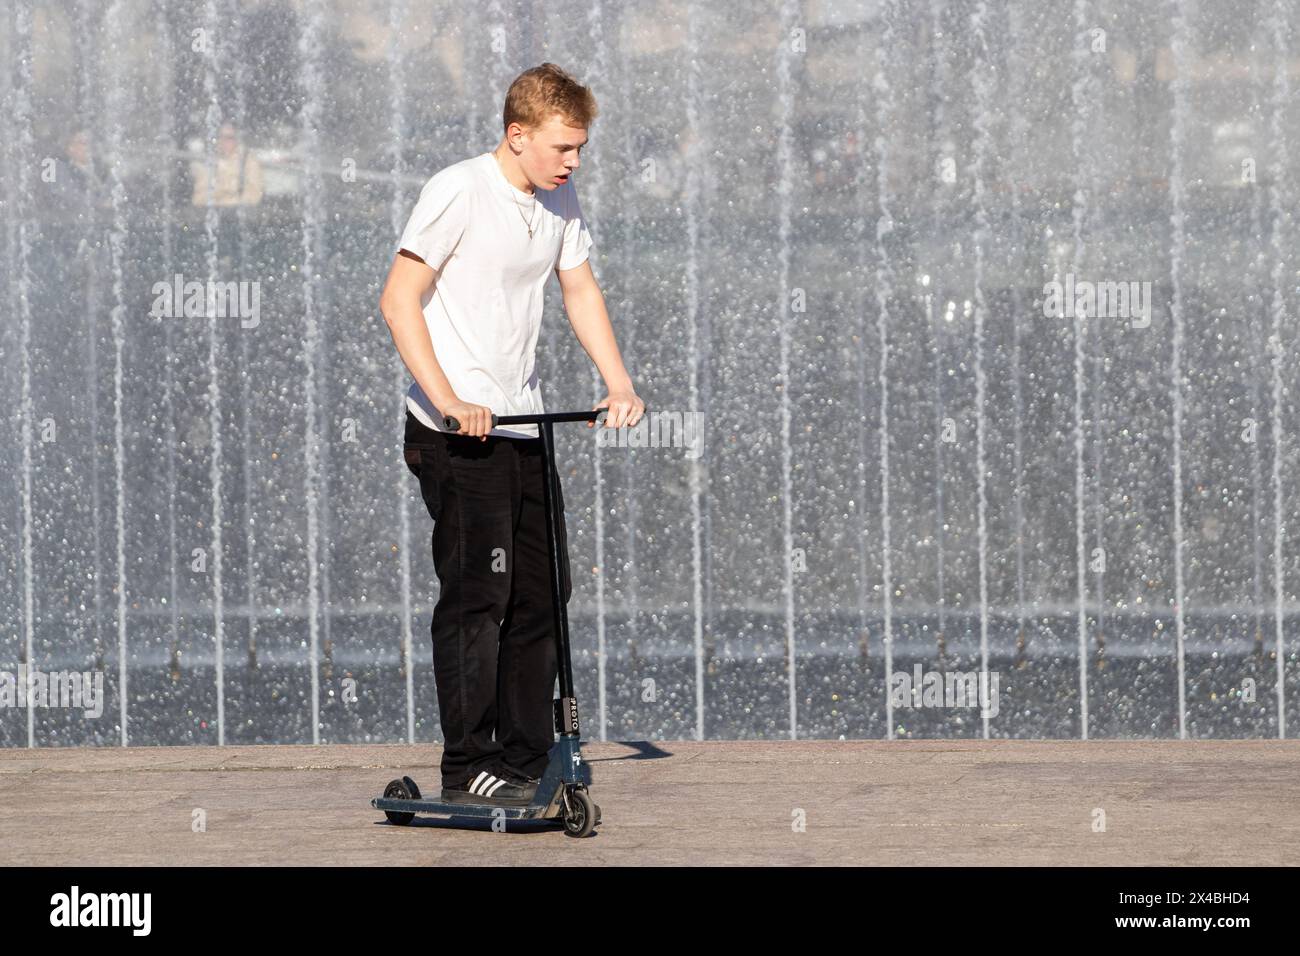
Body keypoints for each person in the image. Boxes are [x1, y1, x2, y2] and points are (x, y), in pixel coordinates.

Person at [378, 63, 644, 806]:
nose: (574, 161)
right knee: (478, 597)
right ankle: (468, 766)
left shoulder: (558, 196)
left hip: (521, 424)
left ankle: (524, 756)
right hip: (453, 433)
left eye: (581, 148)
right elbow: (399, 301)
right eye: (564, 147)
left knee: (543, 593)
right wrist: (450, 398)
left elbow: (579, 286)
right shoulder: (457, 190)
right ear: (517, 134)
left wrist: (618, 382)